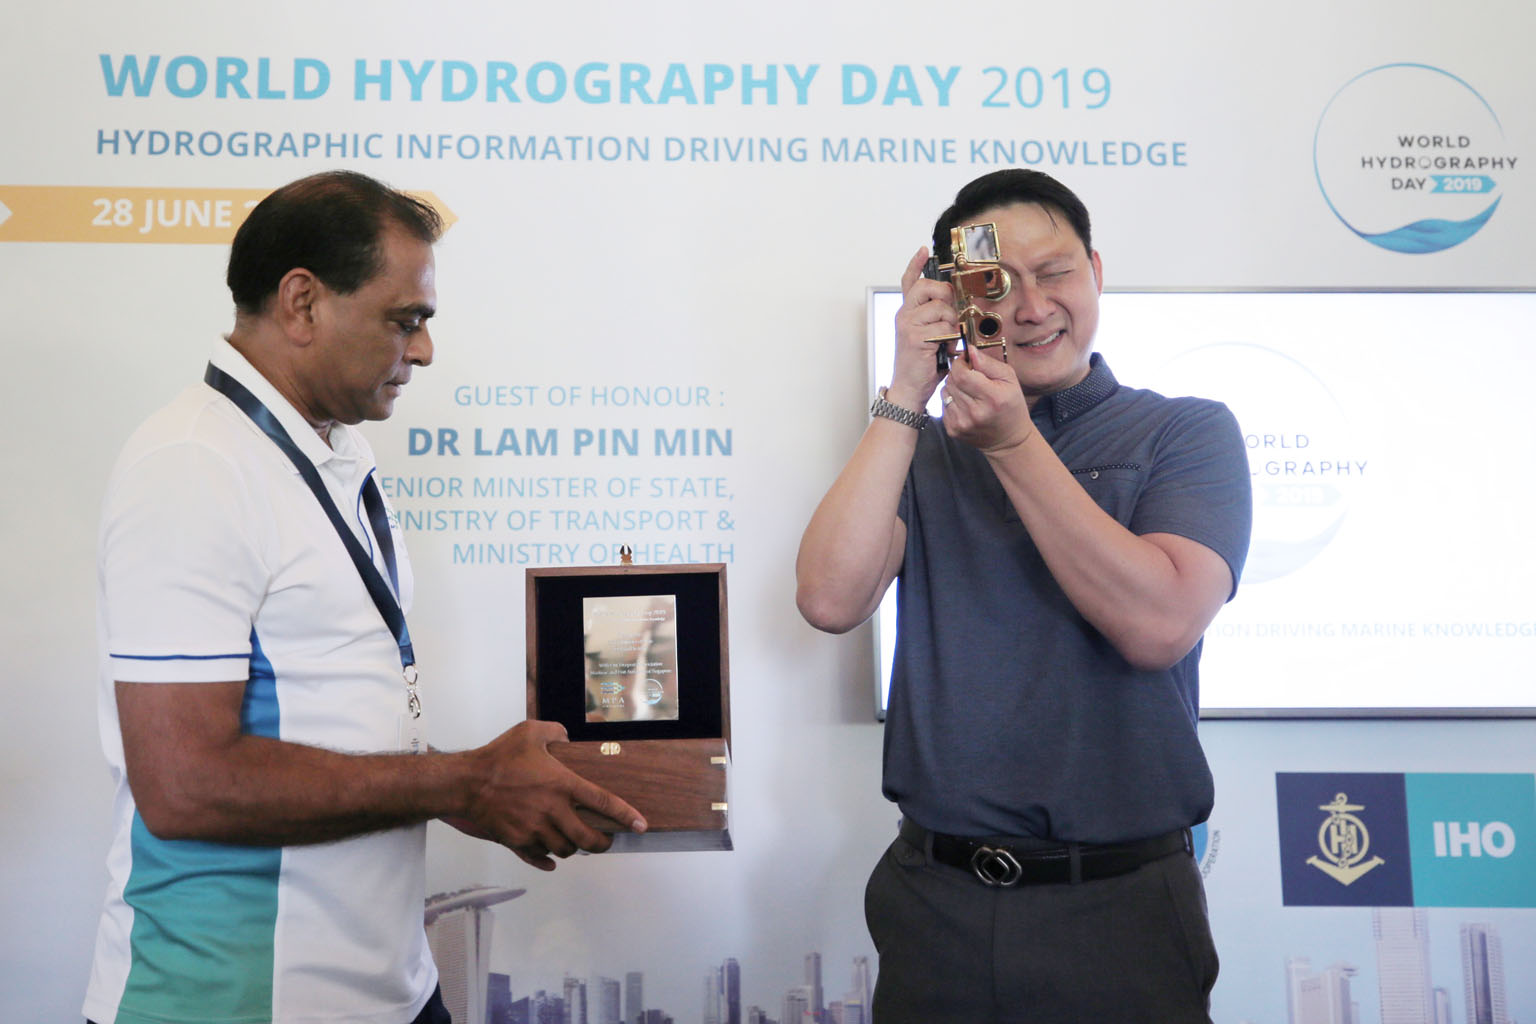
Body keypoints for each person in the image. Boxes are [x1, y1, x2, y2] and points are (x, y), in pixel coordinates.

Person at [85, 170, 646, 1024]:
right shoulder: (193, 466)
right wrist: (461, 784)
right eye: (404, 319)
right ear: (302, 304)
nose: (423, 350)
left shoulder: (330, 450)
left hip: (387, 988)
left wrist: (470, 785)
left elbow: (328, 711)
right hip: (237, 1002)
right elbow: (185, 782)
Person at [796, 169, 1252, 1023]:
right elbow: (828, 598)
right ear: (956, 297)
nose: (1034, 306)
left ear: (1096, 272)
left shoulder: (1184, 431)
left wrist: (1012, 445)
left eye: (1056, 272)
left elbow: (1159, 624)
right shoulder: (922, 449)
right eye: (996, 283)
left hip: (1120, 903)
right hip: (936, 896)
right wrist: (905, 393)